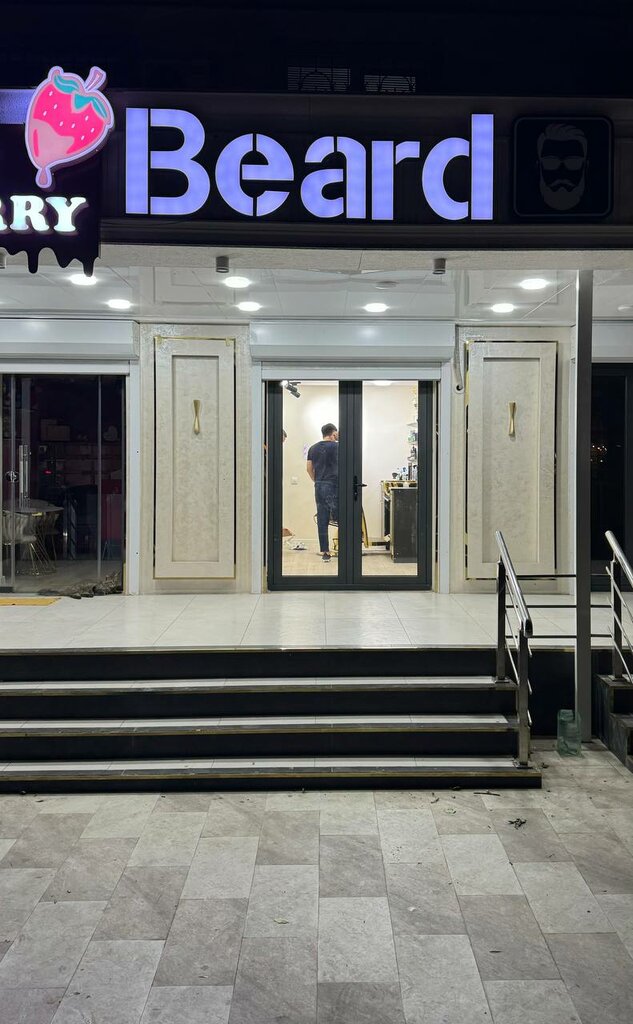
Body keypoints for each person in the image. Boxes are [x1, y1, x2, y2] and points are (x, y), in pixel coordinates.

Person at [306, 422, 338, 561]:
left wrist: (317, 480)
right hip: (334, 485)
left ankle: (325, 551)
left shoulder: (313, 448)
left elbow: (308, 468)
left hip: (319, 485)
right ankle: (345, 548)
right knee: (341, 517)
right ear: (333, 433)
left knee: (322, 518)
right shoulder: (338, 447)